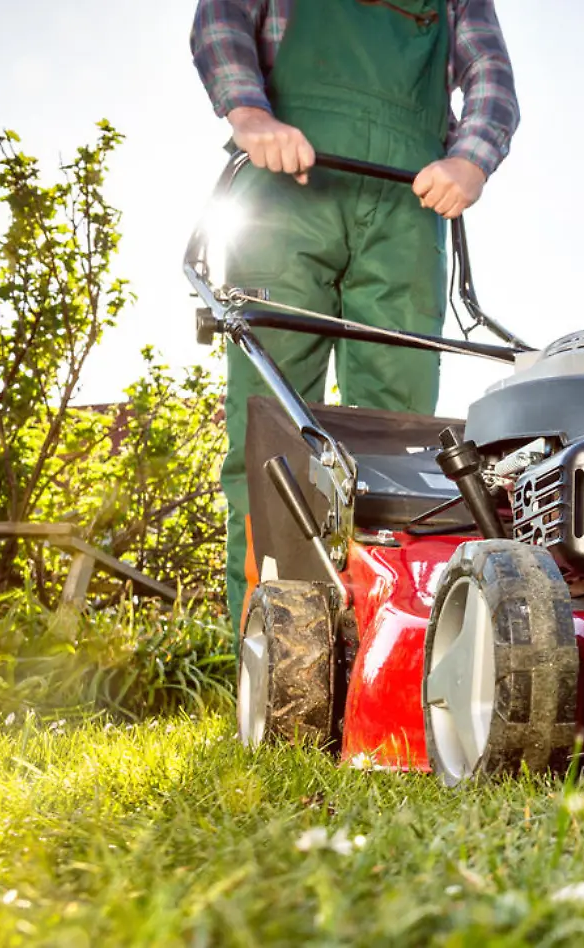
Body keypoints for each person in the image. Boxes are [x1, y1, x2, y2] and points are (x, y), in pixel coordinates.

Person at [190, 0, 520, 632]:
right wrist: (252, 114)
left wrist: (470, 160)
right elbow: (221, 18)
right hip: (282, 199)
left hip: (408, 206)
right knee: (273, 439)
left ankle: (385, 648)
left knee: (406, 445)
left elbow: (491, 77)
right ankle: (272, 662)